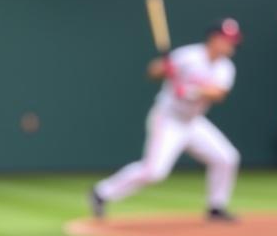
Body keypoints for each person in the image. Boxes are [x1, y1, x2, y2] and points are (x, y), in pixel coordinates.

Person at [90, 20, 242, 221]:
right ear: (214, 38)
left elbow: (219, 94)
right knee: (154, 172)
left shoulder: (226, 67)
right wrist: (164, 68)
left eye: (233, 41)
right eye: (227, 40)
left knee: (227, 158)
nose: (231, 45)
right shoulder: (188, 55)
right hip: (168, 119)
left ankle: (216, 207)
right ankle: (102, 192)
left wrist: (191, 90)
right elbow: (152, 71)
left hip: (193, 122)